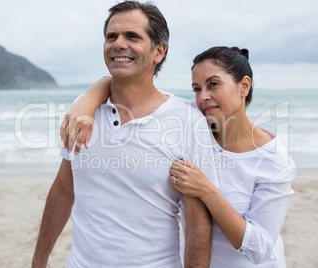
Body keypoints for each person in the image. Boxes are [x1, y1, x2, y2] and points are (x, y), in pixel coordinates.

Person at [60, 46, 296, 267]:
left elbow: (260, 248)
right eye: (196, 89)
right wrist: (90, 99)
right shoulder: (190, 124)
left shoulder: (273, 160)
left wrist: (207, 191)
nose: (202, 97)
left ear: (244, 86)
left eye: (213, 85)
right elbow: (128, 88)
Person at [32, 1, 219, 268]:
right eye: (111, 36)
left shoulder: (187, 120)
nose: (118, 44)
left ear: (159, 51)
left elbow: (198, 222)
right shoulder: (83, 110)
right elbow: (64, 189)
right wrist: (39, 260)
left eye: (132, 36)